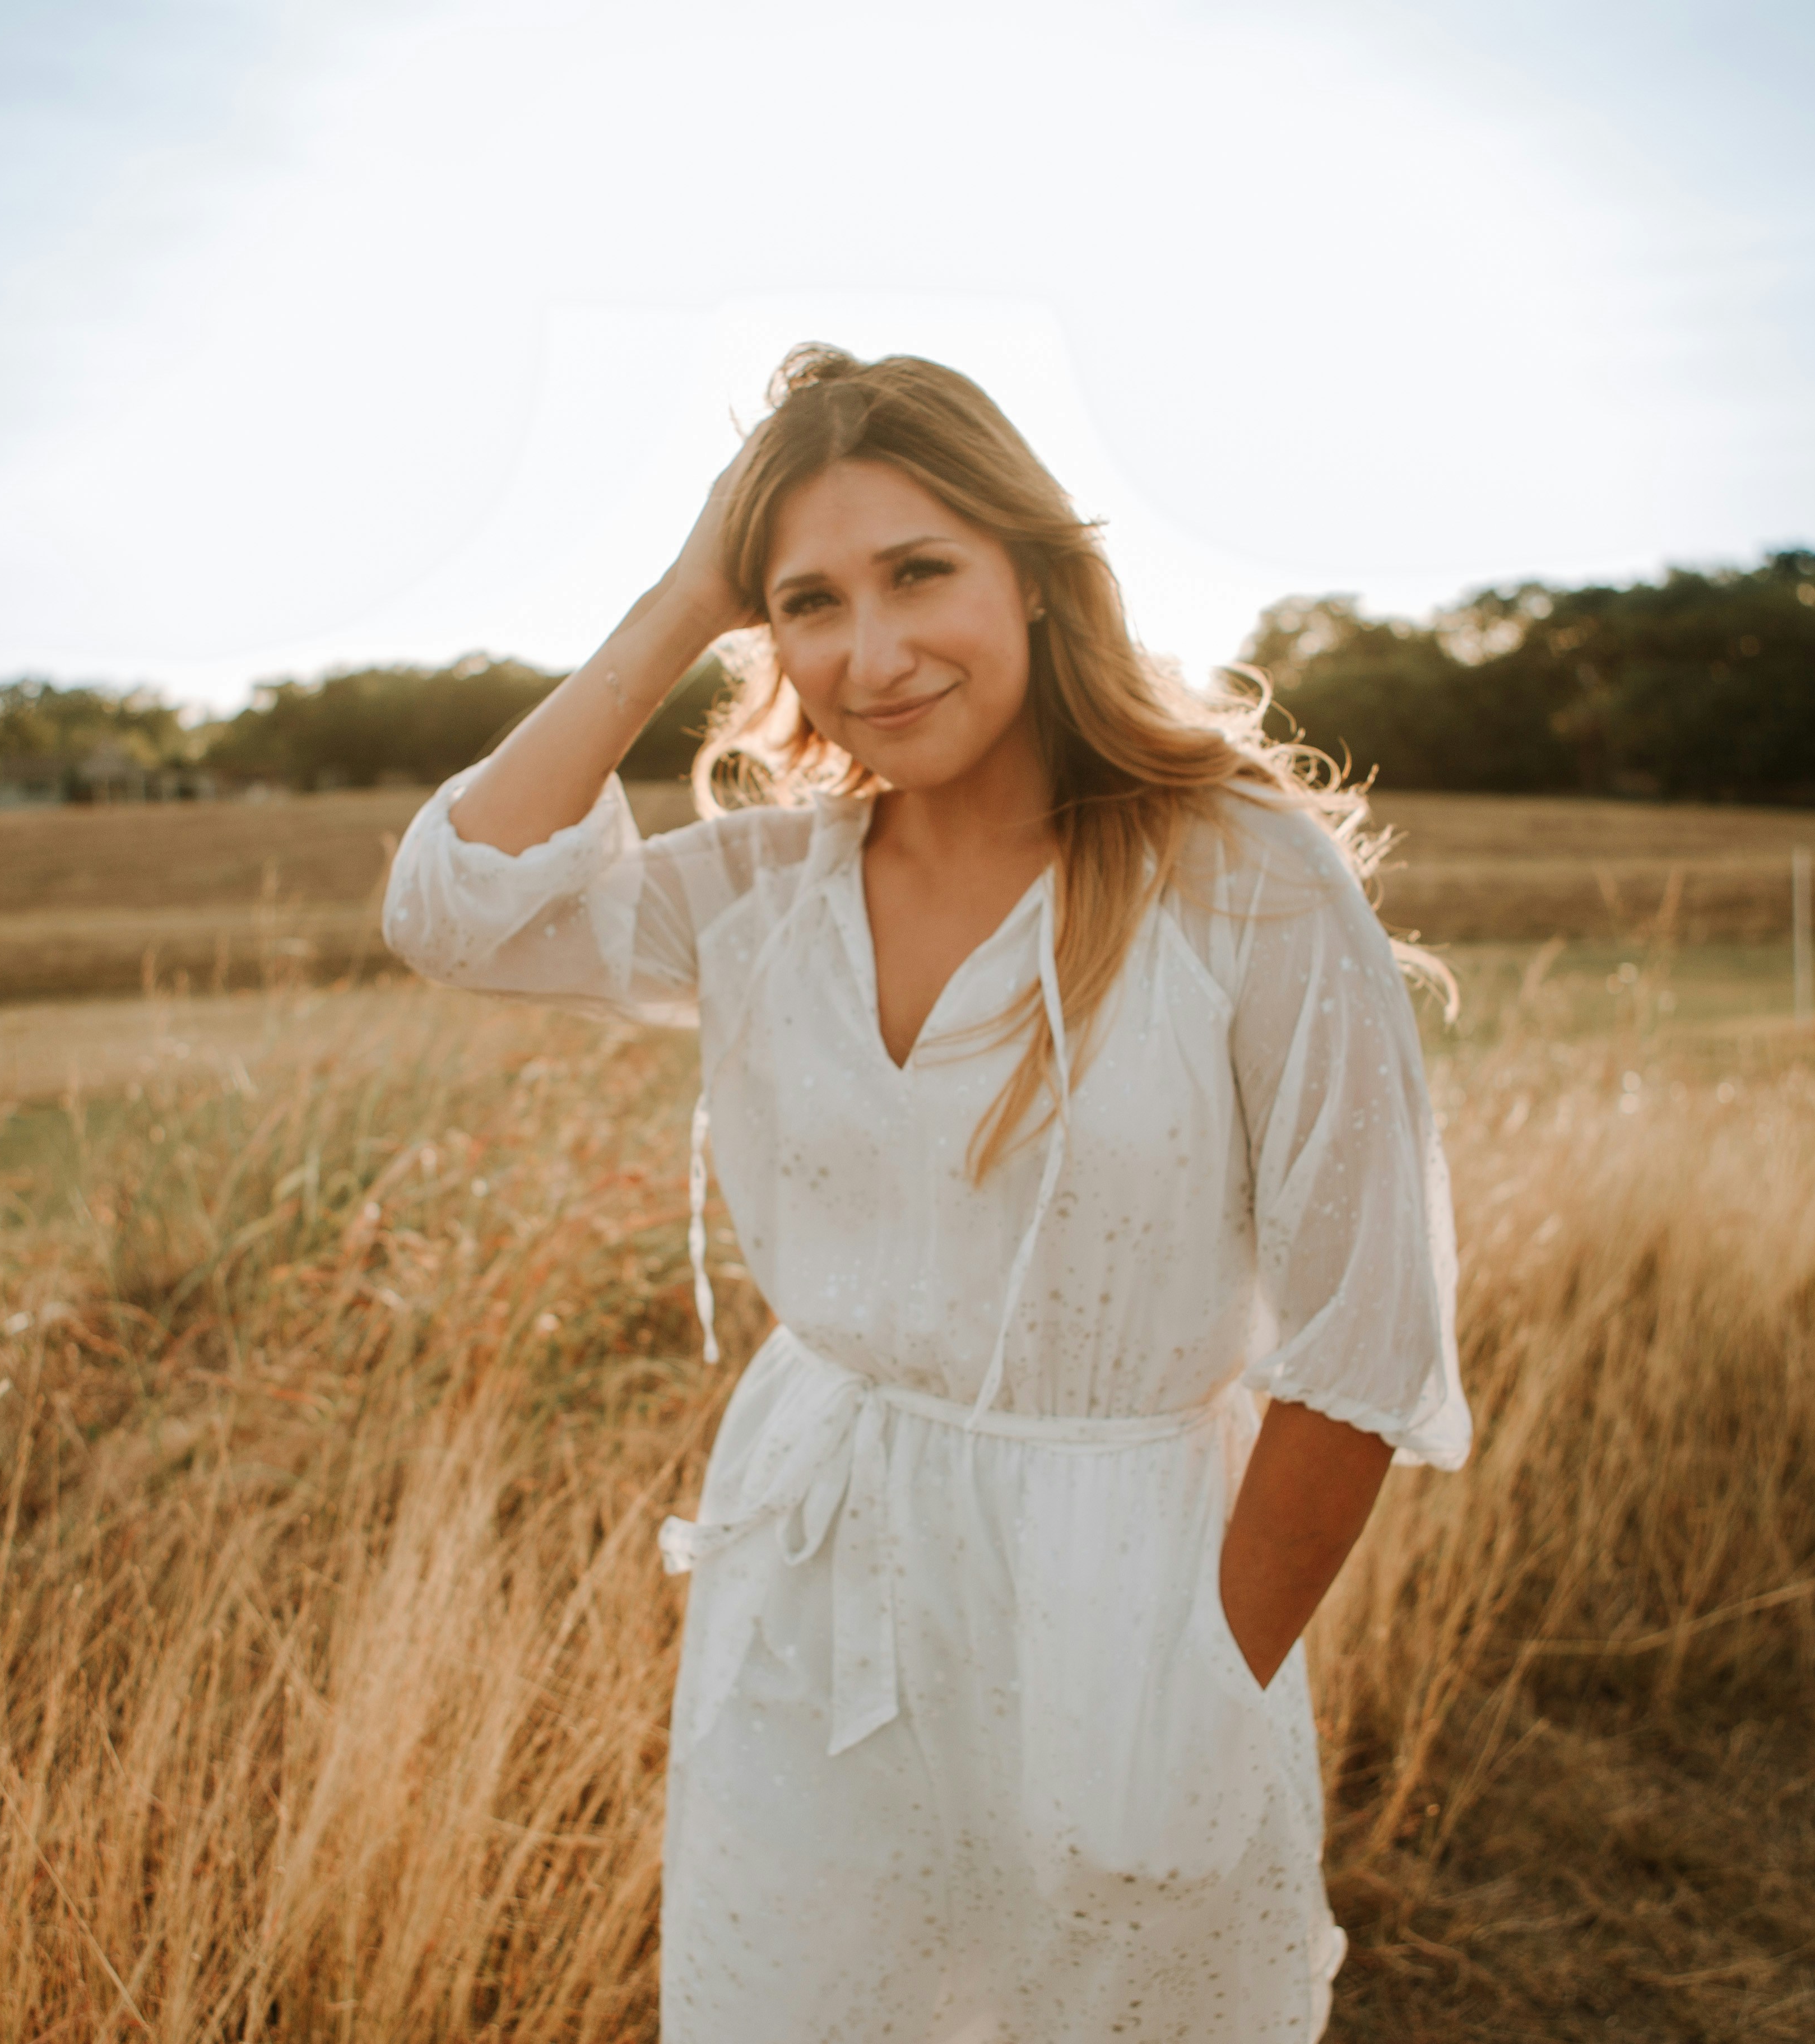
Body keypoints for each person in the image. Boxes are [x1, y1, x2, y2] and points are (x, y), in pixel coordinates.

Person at [381, 345, 1470, 2042]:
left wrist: (1198, 1699)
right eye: (809, 602)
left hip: (1125, 1583)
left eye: (919, 572)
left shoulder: (1245, 882)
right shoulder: (763, 886)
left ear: (1035, 575)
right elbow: (453, 912)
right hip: (812, 1563)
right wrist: (689, 590)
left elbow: (1362, 1343)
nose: (870, 655)